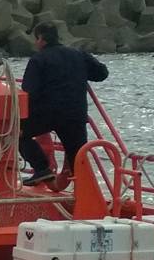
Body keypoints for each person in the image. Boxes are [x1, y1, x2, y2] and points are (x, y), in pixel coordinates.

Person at [19, 21, 109, 188]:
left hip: (47, 114)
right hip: (76, 114)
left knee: (17, 134)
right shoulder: (78, 55)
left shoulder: (38, 59)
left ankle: (41, 168)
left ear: (41, 39)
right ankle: (85, 195)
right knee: (78, 156)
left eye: (36, 39)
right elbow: (102, 73)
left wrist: (23, 119)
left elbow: (29, 91)